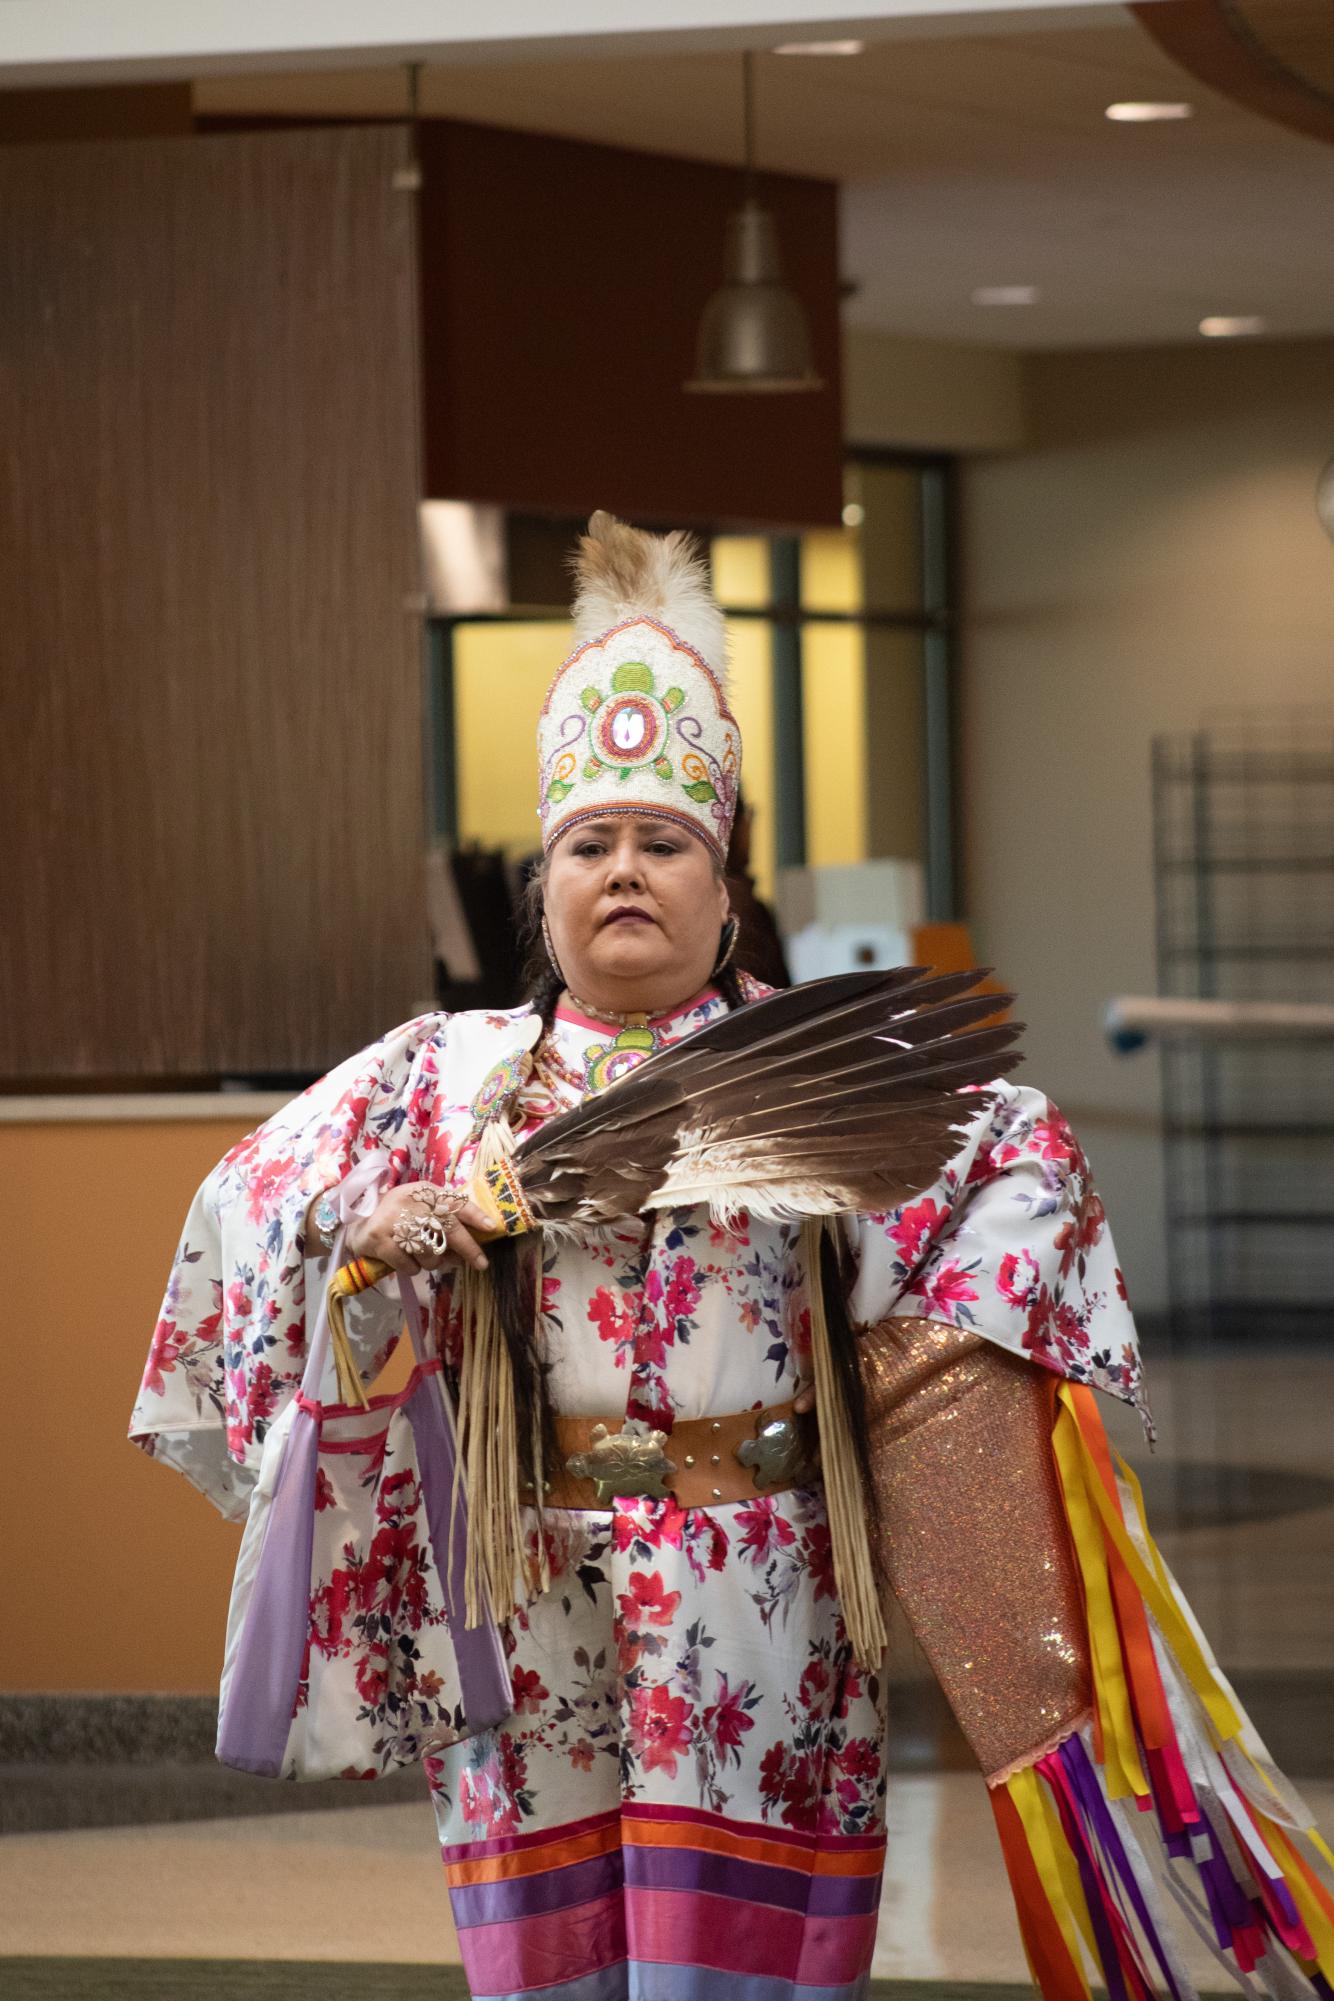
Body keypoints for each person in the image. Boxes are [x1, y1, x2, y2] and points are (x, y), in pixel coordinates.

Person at [133, 513, 1332, 2001]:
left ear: (724, 881)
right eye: (589, 844)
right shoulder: (438, 1080)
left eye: (662, 843)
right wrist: (364, 1241)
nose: (622, 871)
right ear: (542, 885)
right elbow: (242, 1211)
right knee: (547, 1967)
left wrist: (919, 1355)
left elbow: (1023, 1160)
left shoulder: (824, 1079)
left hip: (763, 1593)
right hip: (527, 1586)